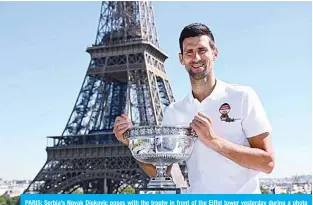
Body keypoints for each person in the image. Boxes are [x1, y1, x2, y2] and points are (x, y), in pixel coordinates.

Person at [113, 23, 275, 194]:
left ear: (215, 53)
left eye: (202, 50)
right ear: (181, 59)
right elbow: (162, 173)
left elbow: (268, 163)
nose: (196, 57)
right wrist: (132, 142)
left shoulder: (242, 96)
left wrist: (214, 141)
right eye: (189, 52)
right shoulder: (174, 112)